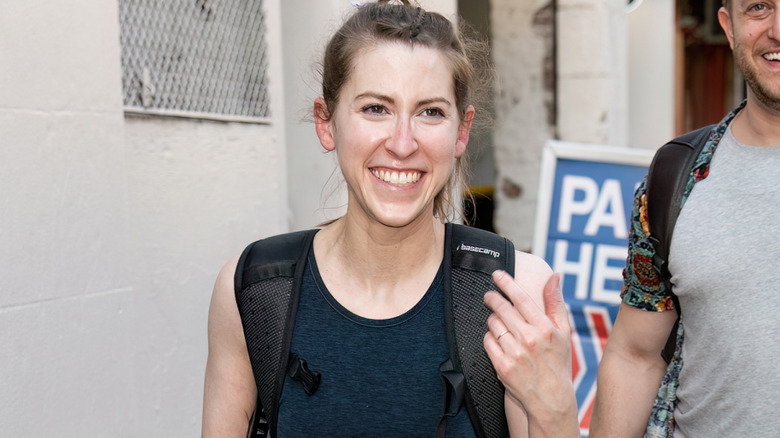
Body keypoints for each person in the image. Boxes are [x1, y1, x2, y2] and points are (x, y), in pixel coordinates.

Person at [202, 1, 579, 437]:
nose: (402, 143)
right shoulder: (255, 291)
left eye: (430, 112)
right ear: (327, 123)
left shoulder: (513, 293)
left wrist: (555, 410)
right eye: (375, 108)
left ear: (462, 131)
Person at [590, 0, 780, 436]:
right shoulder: (676, 177)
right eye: (758, 8)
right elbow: (635, 355)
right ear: (729, 26)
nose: (777, 29)